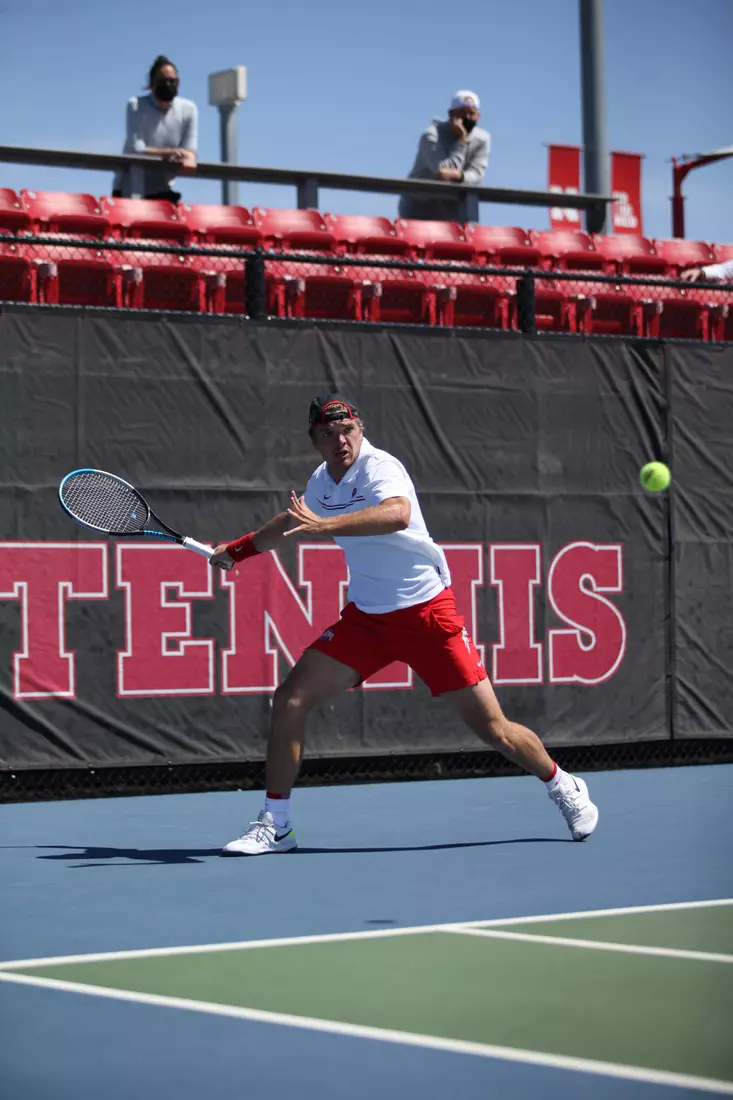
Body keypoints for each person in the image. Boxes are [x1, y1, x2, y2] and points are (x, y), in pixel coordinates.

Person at [209, 394, 599, 856]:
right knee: (290, 698)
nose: (341, 441)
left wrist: (324, 526)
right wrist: (237, 551)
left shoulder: (380, 467)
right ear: (315, 440)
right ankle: (277, 823)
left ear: (360, 429)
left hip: (427, 616)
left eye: (347, 431)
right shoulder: (322, 481)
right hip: (367, 621)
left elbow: (397, 514)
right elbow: (292, 523)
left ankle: (562, 785)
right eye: (329, 435)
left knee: (495, 730)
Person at [112, 55, 198, 203]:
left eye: (173, 81)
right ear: (152, 84)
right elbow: (136, 148)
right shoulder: (136, 105)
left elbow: (189, 151)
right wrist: (170, 153)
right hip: (129, 188)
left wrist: (186, 157)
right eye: (163, 81)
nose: (168, 84)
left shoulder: (189, 109)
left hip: (163, 189)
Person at [398, 90, 490, 222]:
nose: (468, 118)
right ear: (451, 115)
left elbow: (477, 175)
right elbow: (442, 173)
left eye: (472, 113)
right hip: (420, 206)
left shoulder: (482, 139)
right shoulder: (431, 135)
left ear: (478, 116)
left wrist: (460, 176)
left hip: (453, 209)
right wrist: (461, 141)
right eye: (463, 113)